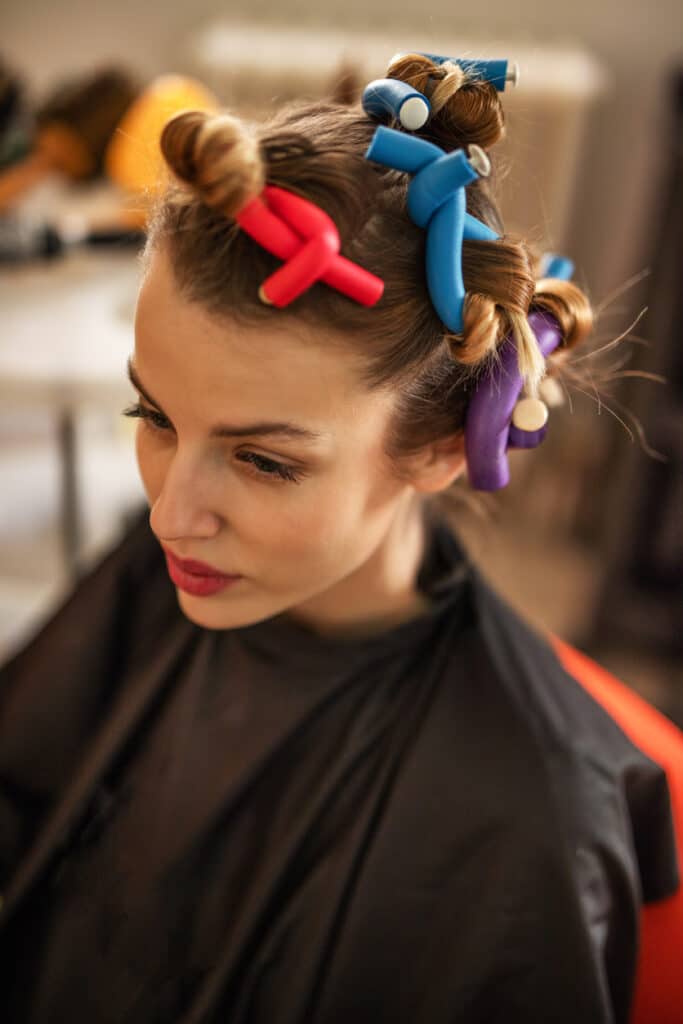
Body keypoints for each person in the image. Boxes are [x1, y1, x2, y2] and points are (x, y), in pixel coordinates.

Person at [0, 51, 679, 1023]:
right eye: (154, 416)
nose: (168, 515)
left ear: (441, 448)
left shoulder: (528, 816)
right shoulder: (167, 571)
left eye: (263, 461)